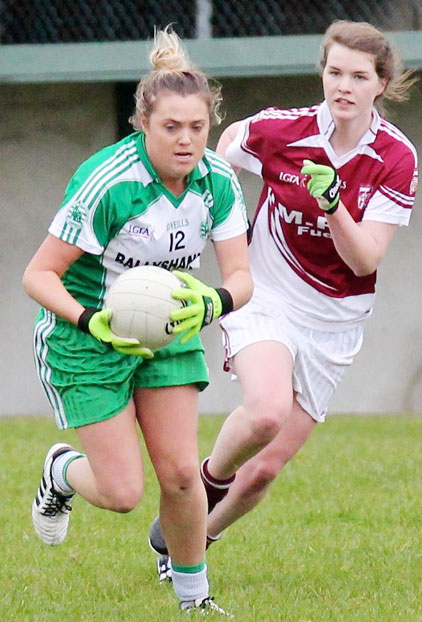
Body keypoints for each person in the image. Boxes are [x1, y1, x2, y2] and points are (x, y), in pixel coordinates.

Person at [149, 19, 418, 579]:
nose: (343, 85)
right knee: (266, 410)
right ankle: (203, 483)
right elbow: (222, 152)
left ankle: (195, 538)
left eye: (358, 76)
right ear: (322, 72)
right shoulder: (281, 129)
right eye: (333, 71)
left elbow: (366, 259)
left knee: (264, 472)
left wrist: (333, 204)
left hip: (335, 323)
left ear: (381, 84)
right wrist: (212, 221)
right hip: (265, 296)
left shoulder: (396, 157)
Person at [23, 26, 252, 616]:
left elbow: (241, 279)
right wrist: (92, 318)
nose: (185, 140)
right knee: (124, 492)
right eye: (171, 127)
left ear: (210, 126)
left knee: (180, 474)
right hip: (87, 336)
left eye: (197, 128)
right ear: (142, 124)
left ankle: (194, 599)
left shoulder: (219, 183)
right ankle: (62, 471)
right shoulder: (109, 181)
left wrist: (212, 304)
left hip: (168, 329)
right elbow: (39, 275)